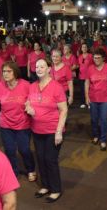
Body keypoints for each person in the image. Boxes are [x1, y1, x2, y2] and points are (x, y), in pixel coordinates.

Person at [25, 59, 67, 203]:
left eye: (42, 66)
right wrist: (28, 108)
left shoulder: (57, 87)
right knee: (41, 159)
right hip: (37, 130)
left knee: (50, 159)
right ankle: (45, 186)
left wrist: (59, 131)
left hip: (52, 131)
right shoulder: (32, 86)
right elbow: (28, 101)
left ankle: (55, 189)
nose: (39, 69)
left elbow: (64, 110)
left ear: (49, 69)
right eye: (37, 66)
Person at [0, 61, 36, 180]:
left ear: (15, 72)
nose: (6, 74)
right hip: (5, 124)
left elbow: (33, 100)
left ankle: (31, 169)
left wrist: (31, 107)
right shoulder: (0, 86)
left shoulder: (25, 85)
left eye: (9, 71)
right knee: (9, 150)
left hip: (23, 124)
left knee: (24, 150)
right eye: (4, 71)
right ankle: (13, 171)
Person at [85, 48, 107, 151]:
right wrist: (86, 96)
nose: (96, 60)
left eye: (99, 58)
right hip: (93, 98)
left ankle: (103, 140)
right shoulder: (90, 68)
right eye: (95, 58)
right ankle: (96, 136)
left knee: (104, 120)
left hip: (105, 98)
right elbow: (86, 83)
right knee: (94, 119)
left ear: (103, 58)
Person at [78, 43, 93, 108]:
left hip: (89, 76)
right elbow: (79, 65)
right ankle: (83, 102)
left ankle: (89, 103)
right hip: (81, 75)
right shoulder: (80, 56)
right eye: (83, 47)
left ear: (87, 48)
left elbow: (93, 65)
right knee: (82, 89)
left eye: (85, 47)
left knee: (89, 89)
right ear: (81, 49)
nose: (84, 48)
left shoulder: (90, 56)